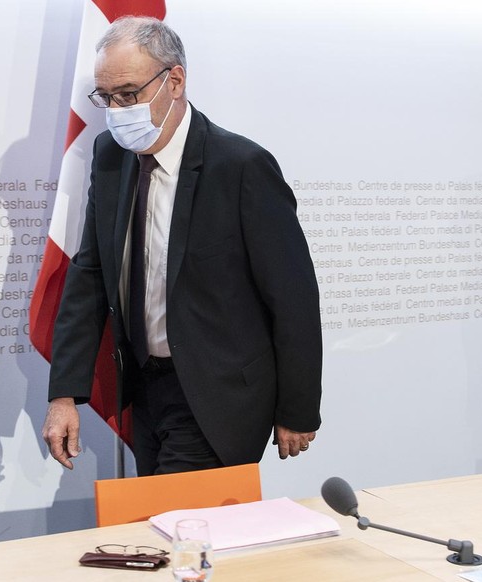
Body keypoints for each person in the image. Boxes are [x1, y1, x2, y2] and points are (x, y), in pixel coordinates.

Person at [41, 16, 322, 475]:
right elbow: (90, 275)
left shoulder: (241, 167)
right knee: (166, 533)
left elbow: (293, 298)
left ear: (174, 81)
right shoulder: (110, 157)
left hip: (219, 394)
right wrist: (64, 393)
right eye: (106, 97)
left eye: (128, 94)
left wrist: (298, 407)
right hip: (145, 388)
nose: (116, 109)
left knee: (182, 528)